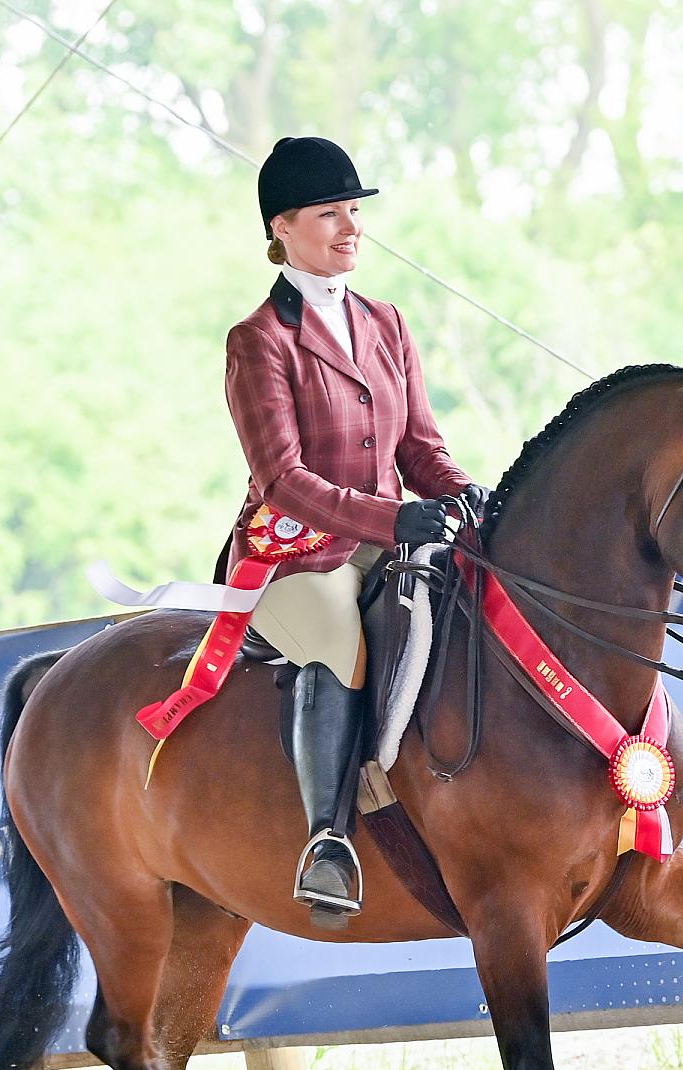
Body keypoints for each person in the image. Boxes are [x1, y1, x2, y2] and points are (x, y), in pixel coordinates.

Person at [222, 135, 488, 924]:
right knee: (342, 642)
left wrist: (475, 499)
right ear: (283, 228)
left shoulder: (387, 322)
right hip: (299, 554)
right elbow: (285, 480)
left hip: (390, 534)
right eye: (329, 213)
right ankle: (328, 840)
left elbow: (419, 449)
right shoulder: (259, 342)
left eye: (355, 212)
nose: (350, 227)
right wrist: (394, 516)